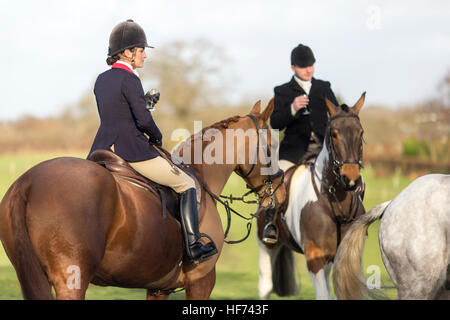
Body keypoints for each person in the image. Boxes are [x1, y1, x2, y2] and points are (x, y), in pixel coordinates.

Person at [87, 19, 217, 264]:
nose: (145, 56)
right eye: (141, 50)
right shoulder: (131, 80)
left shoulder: (101, 80)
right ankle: (193, 247)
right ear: (127, 52)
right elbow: (143, 121)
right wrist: (156, 136)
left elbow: (117, 113)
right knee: (186, 183)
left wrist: (143, 104)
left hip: (102, 149)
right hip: (132, 151)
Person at [262, 44, 339, 244]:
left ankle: (354, 219)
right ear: (293, 68)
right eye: (304, 66)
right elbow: (275, 123)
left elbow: (337, 115)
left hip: (322, 149)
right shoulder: (282, 91)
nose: (309, 69)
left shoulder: (324, 87)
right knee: (275, 178)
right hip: (294, 152)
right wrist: (293, 108)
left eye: (311, 65)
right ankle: (270, 223)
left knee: (349, 174)